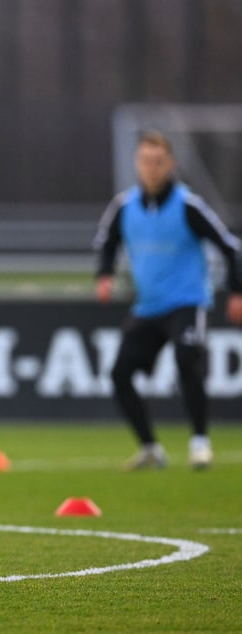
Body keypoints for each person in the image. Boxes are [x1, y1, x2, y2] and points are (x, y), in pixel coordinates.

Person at [93, 130, 242, 470]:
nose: (151, 168)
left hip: (187, 301)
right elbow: (106, 241)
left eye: (158, 161)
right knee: (119, 374)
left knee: (187, 360)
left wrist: (237, 290)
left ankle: (200, 442)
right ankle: (150, 448)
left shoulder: (188, 206)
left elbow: (230, 247)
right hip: (148, 306)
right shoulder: (124, 206)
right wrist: (104, 275)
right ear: (137, 163)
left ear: (170, 164)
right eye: (146, 160)